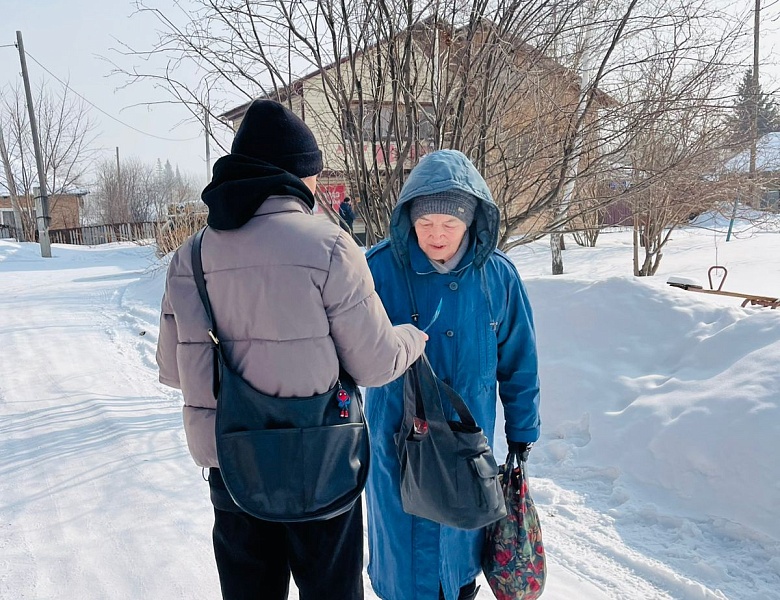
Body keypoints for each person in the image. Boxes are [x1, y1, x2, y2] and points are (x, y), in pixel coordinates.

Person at [155, 99, 427, 600]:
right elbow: (373, 362)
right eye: (315, 175)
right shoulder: (329, 246)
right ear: (299, 176)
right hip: (321, 461)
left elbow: (173, 368)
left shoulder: (189, 256)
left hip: (232, 464)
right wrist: (413, 336)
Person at [363, 149, 541, 600]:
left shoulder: (496, 276)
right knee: (406, 566)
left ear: (470, 222)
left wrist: (522, 430)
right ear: (409, 220)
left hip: (468, 446)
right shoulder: (378, 269)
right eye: (425, 225)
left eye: (449, 225)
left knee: (458, 565)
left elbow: (519, 360)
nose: (436, 236)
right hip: (395, 443)